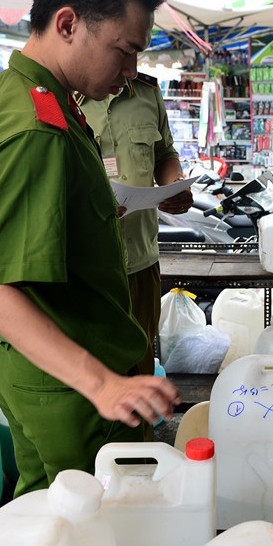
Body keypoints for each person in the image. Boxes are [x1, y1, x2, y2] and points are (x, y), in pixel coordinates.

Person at [0, 0, 180, 498]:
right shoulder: (36, 128)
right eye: (125, 49)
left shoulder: (24, 92)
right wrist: (103, 384)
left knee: (45, 510)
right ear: (68, 24)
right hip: (67, 380)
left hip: (40, 370)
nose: (132, 70)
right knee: (88, 524)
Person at [78, 76, 191, 379]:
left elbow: (165, 154)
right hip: (89, 267)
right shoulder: (66, 95)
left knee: (140, 364)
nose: (130, 64)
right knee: (96, 372)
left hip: (142, 258)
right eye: (125, 48)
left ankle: (142, 429)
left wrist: (173, 186)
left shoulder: (147, 92)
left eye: (137, 51)